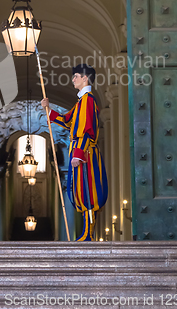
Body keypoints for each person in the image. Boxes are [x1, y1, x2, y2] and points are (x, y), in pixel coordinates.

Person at [41, 64, 108, 241]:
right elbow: (67, 121)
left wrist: (78, 153)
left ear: (85, 78)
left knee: (88, 191)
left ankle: (88, 234)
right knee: (80, 191)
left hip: (85, 153)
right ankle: (86, 233)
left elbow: (87, 130)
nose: (73, 80)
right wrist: (49, 110)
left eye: (76, 76)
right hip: (79, 151)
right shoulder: (80, 102)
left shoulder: (88, 100)